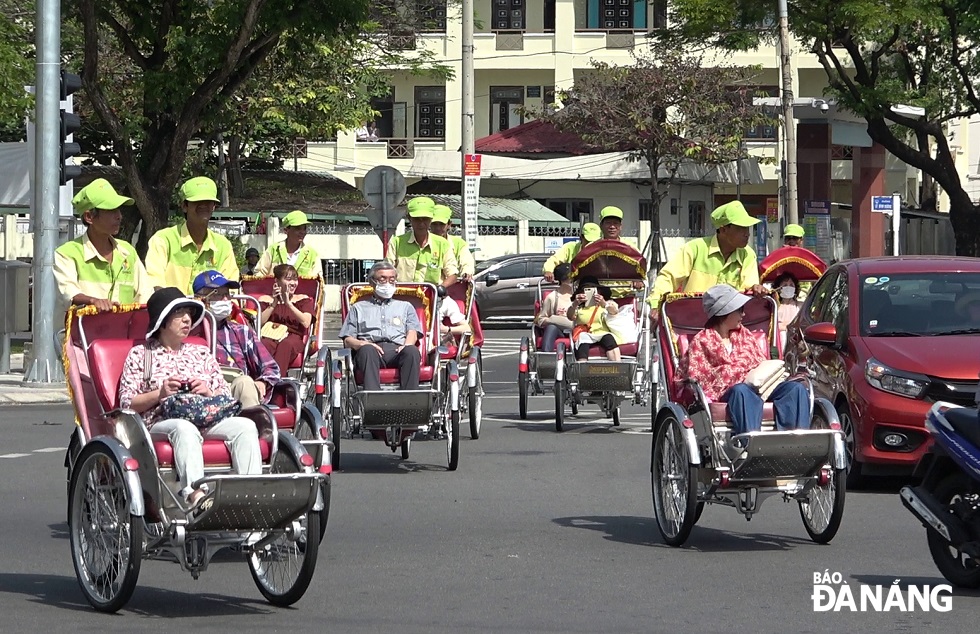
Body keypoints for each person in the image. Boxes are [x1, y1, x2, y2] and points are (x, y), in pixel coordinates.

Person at [118, 287, 261, 509]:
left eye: (189, 314)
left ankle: (249, 500)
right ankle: (196, 496)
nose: (187, 319)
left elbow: (224, 396)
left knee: (245, 426)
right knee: (184, 428)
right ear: (163, 321)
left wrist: (207, 391)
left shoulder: (200, 353)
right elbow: (126, 404)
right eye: (179, 313)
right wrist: (160, 393)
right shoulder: (141, 354)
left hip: (207, 417)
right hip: (159, 422)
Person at [679, 285, 810, 436]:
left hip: (759, 388)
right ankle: (751, 446)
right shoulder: (701, 341)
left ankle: (796, 444)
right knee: (742, 391)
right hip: (728, 392)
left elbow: (760, 365)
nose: (744, 314)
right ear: (724, 312)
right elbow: (698, 377)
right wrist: (735, 376)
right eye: (739, 310)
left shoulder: (745, 335)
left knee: (796, 389)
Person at [649, 200, 764, 319]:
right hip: (692, 322)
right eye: (741, 228)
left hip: (729, 325)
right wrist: (656, 304)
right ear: (723, 229)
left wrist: (756, 288)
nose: (747, 234)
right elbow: (668, 277)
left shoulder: (748, 254)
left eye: (747, 228)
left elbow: (749, 287)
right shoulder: (695, 248)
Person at [54, 178, 153, 316]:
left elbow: (145, 295)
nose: (119, 216)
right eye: (111, 210)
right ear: (89, 217)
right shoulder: (66, 254)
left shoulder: (128, 252)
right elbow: (68, 293)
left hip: (124, 336)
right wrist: (93, 301)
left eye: (118, 209)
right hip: (84, 336)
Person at [194, 270, 280, 408]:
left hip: (235, 392)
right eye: (218, 294)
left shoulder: (241, 332)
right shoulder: (188, 333)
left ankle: (253, 428)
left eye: (227, 294)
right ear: (200, 299)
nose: (226, 299)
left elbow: (271, 368)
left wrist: (262, 382)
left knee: (245, 383)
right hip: (199, 394)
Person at [145, 176, 239, 294]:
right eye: (197, 202)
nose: (203, 205)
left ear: (214, 206)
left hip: (212, 312)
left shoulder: (223, 246)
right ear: (184, 206)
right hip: (173, 311)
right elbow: (155, 284)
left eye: (208, 202)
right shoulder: (163, 240)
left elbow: (232, 291)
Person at [339, 261, 423, 391]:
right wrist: (364, 344)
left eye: (392, 280)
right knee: (367, 351)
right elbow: (347, 339)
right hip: (369, 350)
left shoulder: (405, 306)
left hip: (397, 349)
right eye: (382, 279)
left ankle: (410, 400)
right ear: (372, 282)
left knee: (411, 351)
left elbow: (413, 331)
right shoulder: (358, 308)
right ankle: (372, 402)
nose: (388, 283)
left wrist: (407, 345)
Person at [387, 196, 458, 286]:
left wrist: (441, 289)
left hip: (433, 296)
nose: (421, 223)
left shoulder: (442, 244)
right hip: (403, 295)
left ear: (431, 219)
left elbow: (453, 274)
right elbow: (387, 271)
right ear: (409, 218)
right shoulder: (396, 242)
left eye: (425, 219)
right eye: (417, 219)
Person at [259, 264, 315, 373]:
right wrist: (274, 303)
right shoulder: (266, 299)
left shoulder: (303, 299)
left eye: (295, 279)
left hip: (293, 337)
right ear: (277, 281)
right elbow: (259, 323)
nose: (293, 283)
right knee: (263, 344)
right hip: (270, 335)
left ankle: (277, 384)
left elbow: (306, 322)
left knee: (286, 345)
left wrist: (289, 304)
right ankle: (262, 380)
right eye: (288, 279)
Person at [567, 275, 621, 362]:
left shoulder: (606, 304)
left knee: (609, 338)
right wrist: (575, 303)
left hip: (602, 332)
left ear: (598, 291)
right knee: (582, 340)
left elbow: (614, 312)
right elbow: (570, 316)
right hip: (585, 333)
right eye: (586, 290)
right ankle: (582, 368)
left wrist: (604, 304)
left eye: (592, 289)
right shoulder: (579, 307)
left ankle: (616, 365)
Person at [256, 210, 320, 277]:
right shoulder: (273, 250)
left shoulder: (312, 255)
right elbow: (259, 274)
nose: (302, 232)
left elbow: (318, 281)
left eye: (304, 228)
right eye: (297, 228)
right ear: (286, 230)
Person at [430, 204, 475, 280]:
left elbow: (467, 262)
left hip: (453, 287)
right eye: (434, 224)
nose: (438, 228)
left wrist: (466, 272)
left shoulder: (459, 243)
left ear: (449, 224)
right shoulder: (423, 242)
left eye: (441, 224)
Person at [536, 263, 574, 352]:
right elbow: (541, 320)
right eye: (568, 278)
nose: (571, 281)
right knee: (551, 327)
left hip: (578, 330)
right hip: (562, 331)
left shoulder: (580, 295)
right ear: (561, 280)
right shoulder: (552, 297)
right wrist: (555, 320)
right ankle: (546, 358)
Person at [773, 272, 803, 347]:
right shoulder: (775, 306)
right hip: (780, 341)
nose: (788, 287)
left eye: (791, 285)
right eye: (785, 285)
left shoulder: (800, 305)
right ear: (779, 289)